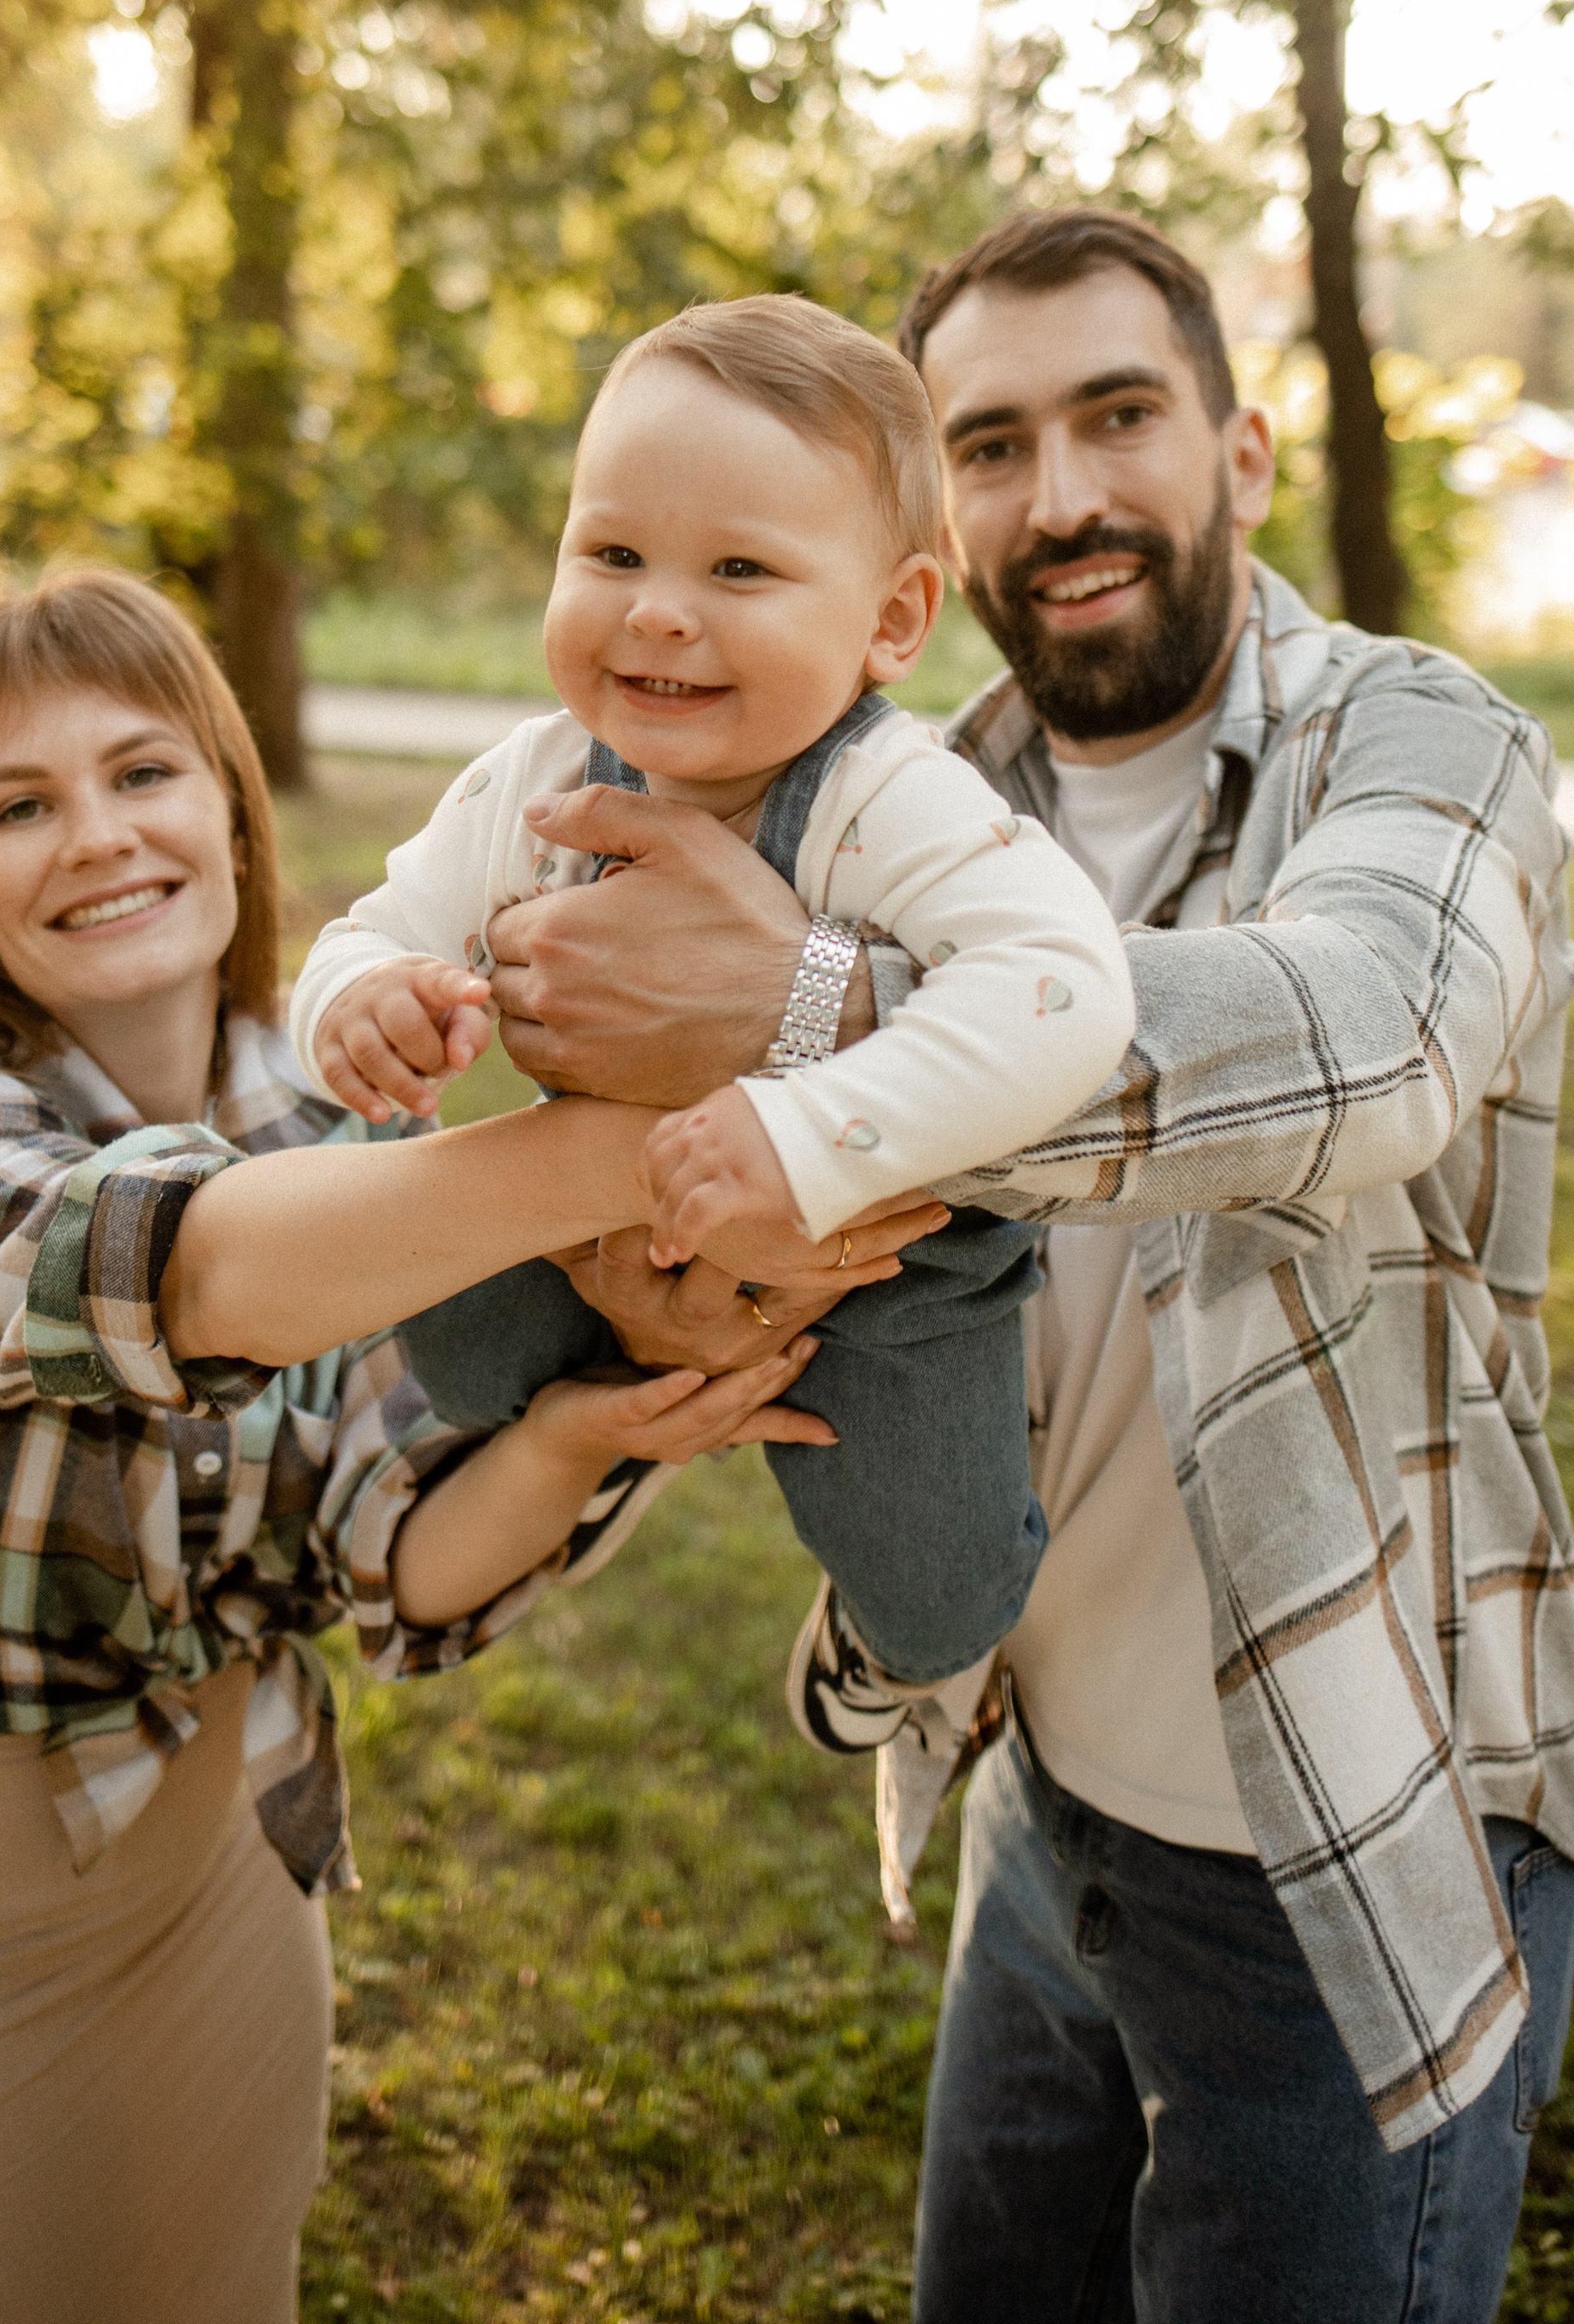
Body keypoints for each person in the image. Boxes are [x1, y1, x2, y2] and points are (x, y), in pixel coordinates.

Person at [469, 209, 1574, 2324]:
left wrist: (805, 1019)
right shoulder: (898, 790)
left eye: (1117, 417)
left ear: (1240, 451)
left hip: (1341, 1816)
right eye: (988, 443)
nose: (1060, 494)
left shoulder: (1425, 742)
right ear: (925, 529)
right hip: (1035, 1791)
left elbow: (1368, 1040)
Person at [0, 564, 934, 2324]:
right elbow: (193, 1269)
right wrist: (686, 1131)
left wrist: (582, 1429)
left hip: (232, 1868)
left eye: (142, 774)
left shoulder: (316, 1113)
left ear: (230, 812)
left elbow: (385, 1555)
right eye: (21, 805)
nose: (97, 835)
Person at [289, 295, 1134, 1710]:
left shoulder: (888, 796)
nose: (659, 609)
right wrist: (368, 995)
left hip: (888, 1266)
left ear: (893, 620)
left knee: (939, 1598)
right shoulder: (537, 779)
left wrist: (812, 1131)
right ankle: (602, 1377)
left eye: (740, 568)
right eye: (613, 551)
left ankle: (904, 1651)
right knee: (452, 1348)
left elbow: (1067, 987)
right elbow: (374, 926)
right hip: (601, 1218)